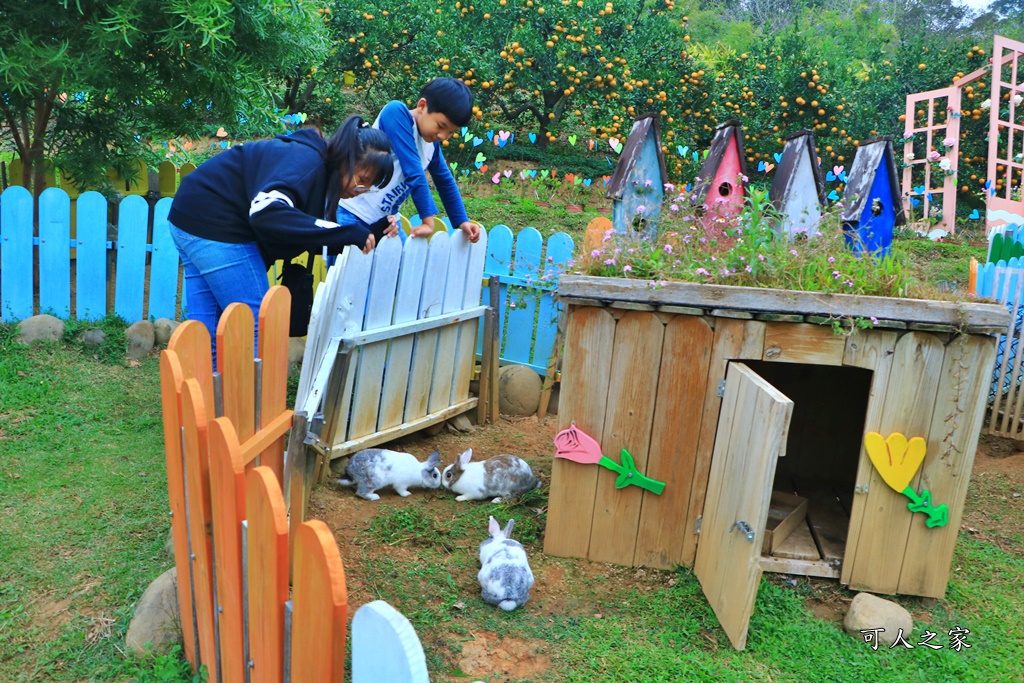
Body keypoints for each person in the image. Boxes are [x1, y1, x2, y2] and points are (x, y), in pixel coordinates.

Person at [168, 116, 396, 362]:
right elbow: (266, 212)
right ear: (346, 158)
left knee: (208, 329)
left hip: (190, 213)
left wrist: (369, 232)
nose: (359, 190)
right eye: (361, 180)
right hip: (215, 220)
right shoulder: (307, 163)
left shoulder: (317, 168)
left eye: (369, 187)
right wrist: (347, 233)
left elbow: (301, 230)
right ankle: (251, 399)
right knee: (254, 323)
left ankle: (204, 397)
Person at [337, 78, 481, 244]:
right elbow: (412, 169)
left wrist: (462, 221)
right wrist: (428, 220)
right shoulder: (396, 114)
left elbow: (444, 179)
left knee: (402, 267)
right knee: (349, 268)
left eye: (450, 132)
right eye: (441, 126)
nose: (442, 136)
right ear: (422, 106)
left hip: (387, 221)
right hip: (353, 213)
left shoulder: (431, 145)